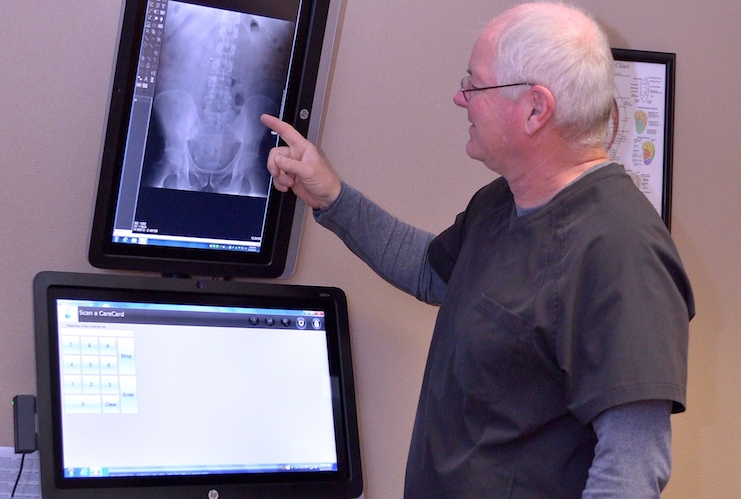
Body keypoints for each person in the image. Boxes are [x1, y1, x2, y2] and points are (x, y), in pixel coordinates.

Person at [261, 2, 694, 497]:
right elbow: (431, 272)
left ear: (536, 108)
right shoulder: (502, 201)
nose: (459, 97)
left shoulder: (621, 251)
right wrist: (332, 197)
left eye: (475, 84)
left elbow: (633, 464)